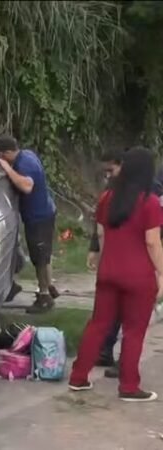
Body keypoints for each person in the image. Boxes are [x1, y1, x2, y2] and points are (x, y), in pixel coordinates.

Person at [69, 146, 163, 402]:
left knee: (98, 324)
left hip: (109, 271)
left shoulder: (107, 198)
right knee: (134, 331)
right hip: (139, 276)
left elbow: (101, 235)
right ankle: (129, 387)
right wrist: (162, 273)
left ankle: (78, 377)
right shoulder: (150, 202)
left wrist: (103, 261)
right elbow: (153, 243)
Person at [0, 136, 59, 314]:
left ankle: (44, 297)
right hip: (45, 211)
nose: (1, 159)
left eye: (1, 156)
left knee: (39, 257)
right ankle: (50, 286)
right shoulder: (27, 154)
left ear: (7, 153)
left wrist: (7, 169)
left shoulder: (23, 165)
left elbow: (27, 186)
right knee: (44, 254)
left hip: (38, 216)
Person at [86, 150, 123, 378]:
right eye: (106, 172)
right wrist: (94, 249)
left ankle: (121, 357)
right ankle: (105, 350)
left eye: (111, 170)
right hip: (118, 259)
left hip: (127, 259)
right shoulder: (111, 192)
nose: (108, 176)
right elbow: (100, 225)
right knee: (112, 307)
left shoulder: (142, 191)